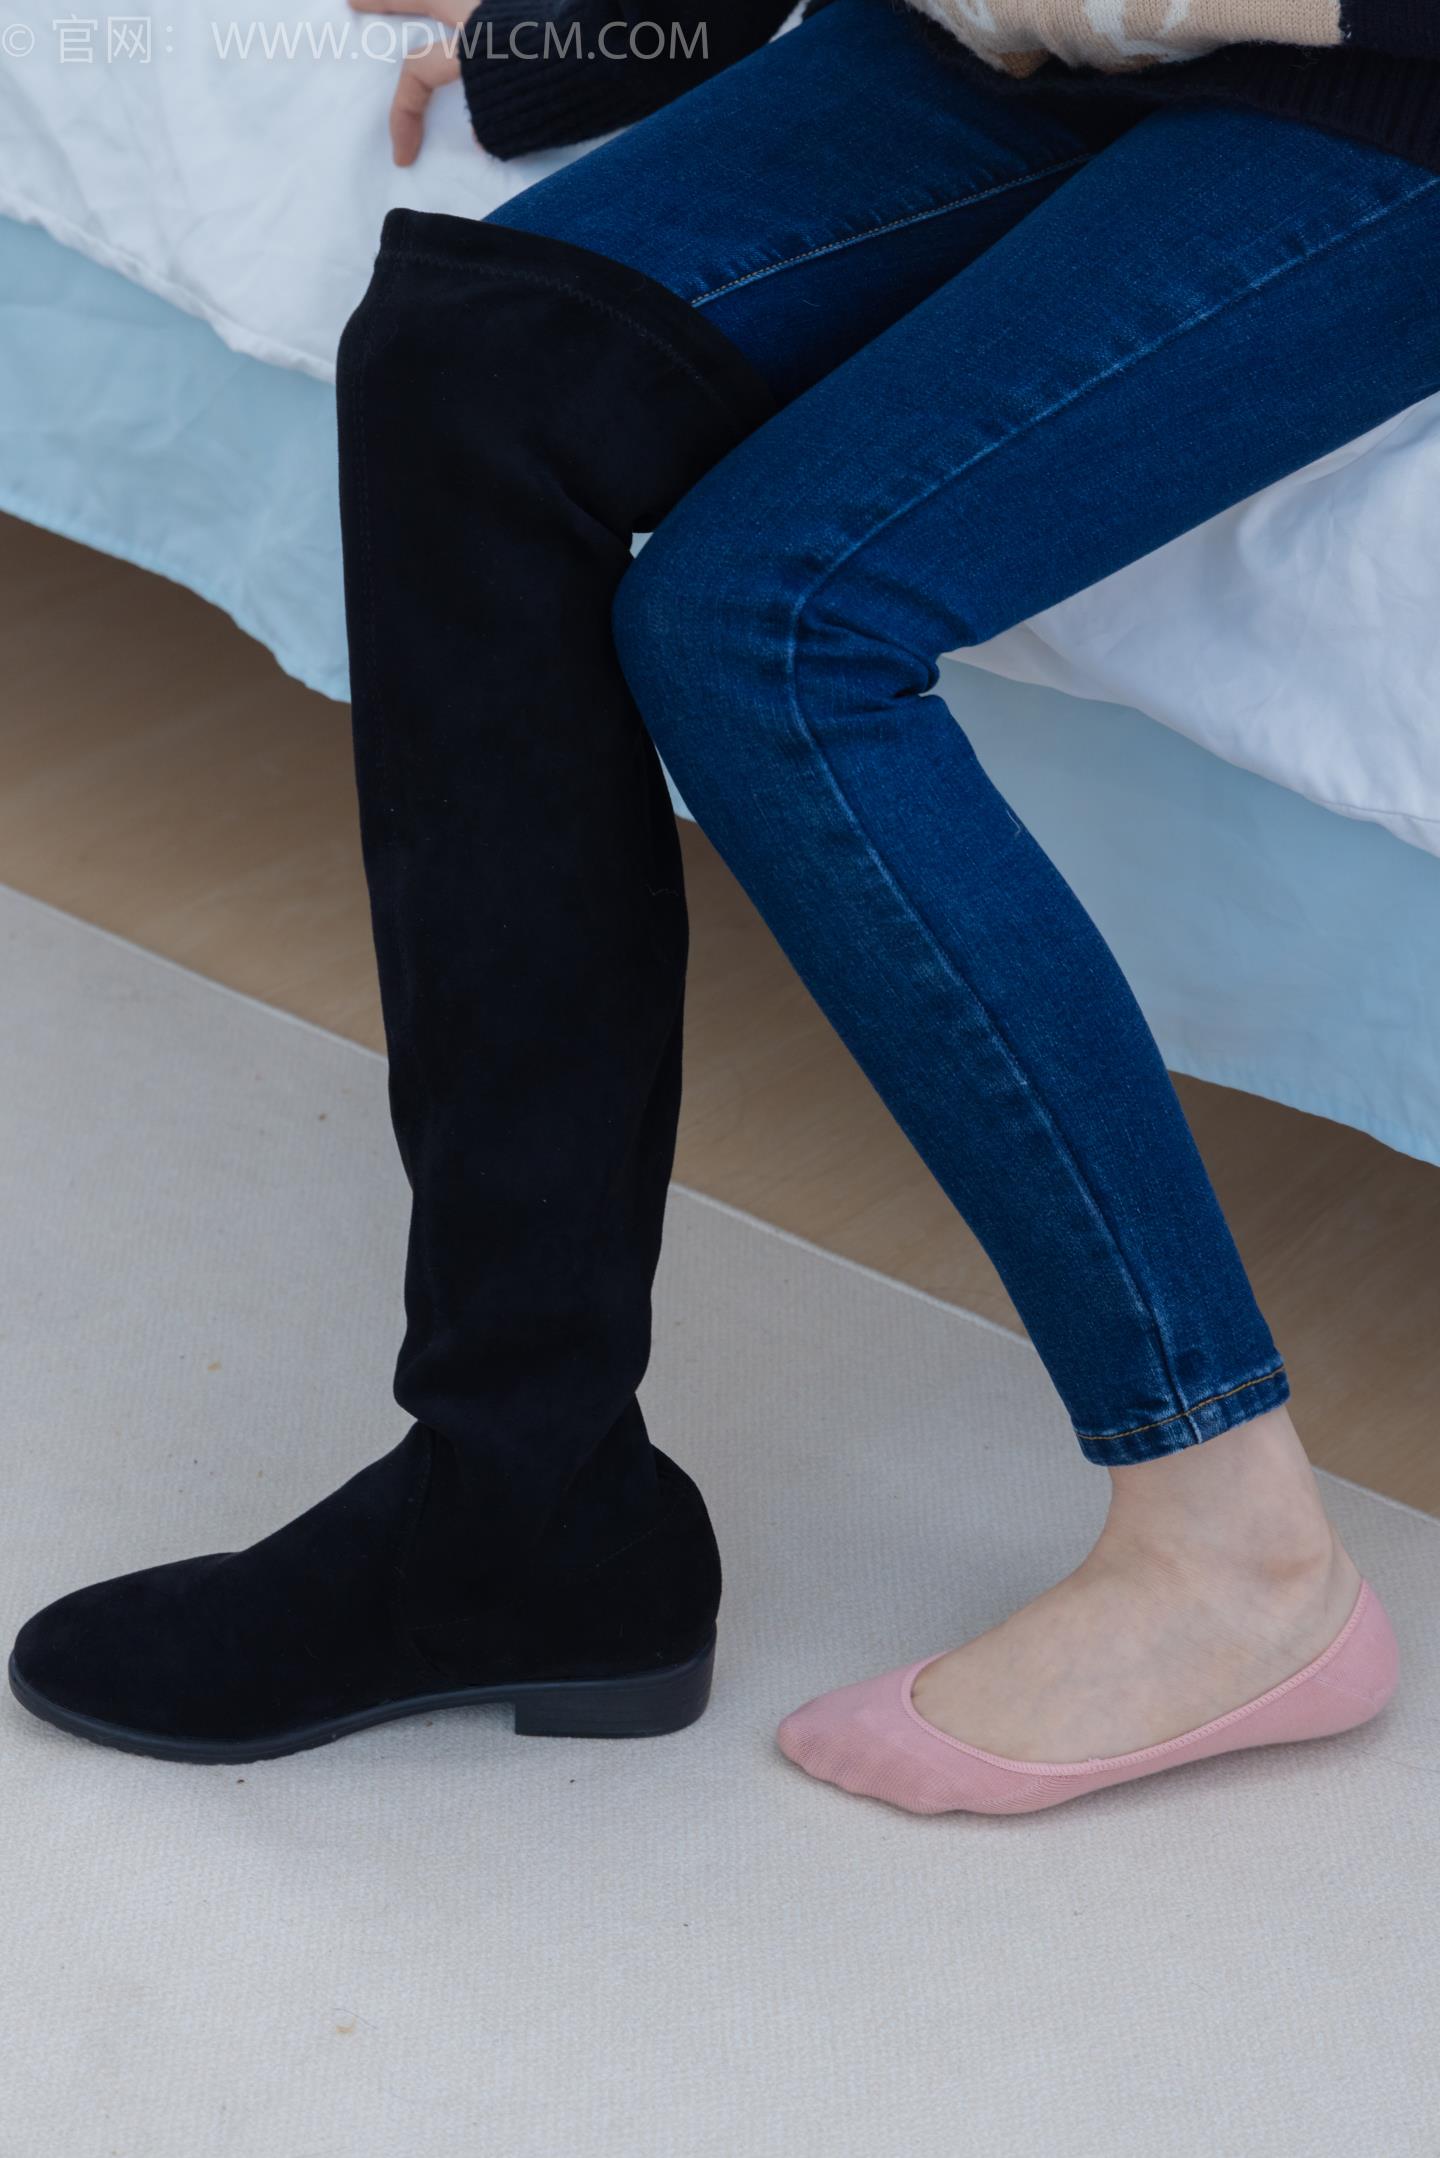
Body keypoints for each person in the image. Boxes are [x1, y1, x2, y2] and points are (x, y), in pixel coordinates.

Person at [11, 0, 1431, 1811]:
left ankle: (1236, 1539)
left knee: (763, 620)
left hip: (1370, 82)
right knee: (465, 360)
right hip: (1007, 30)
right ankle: (524, 1498)